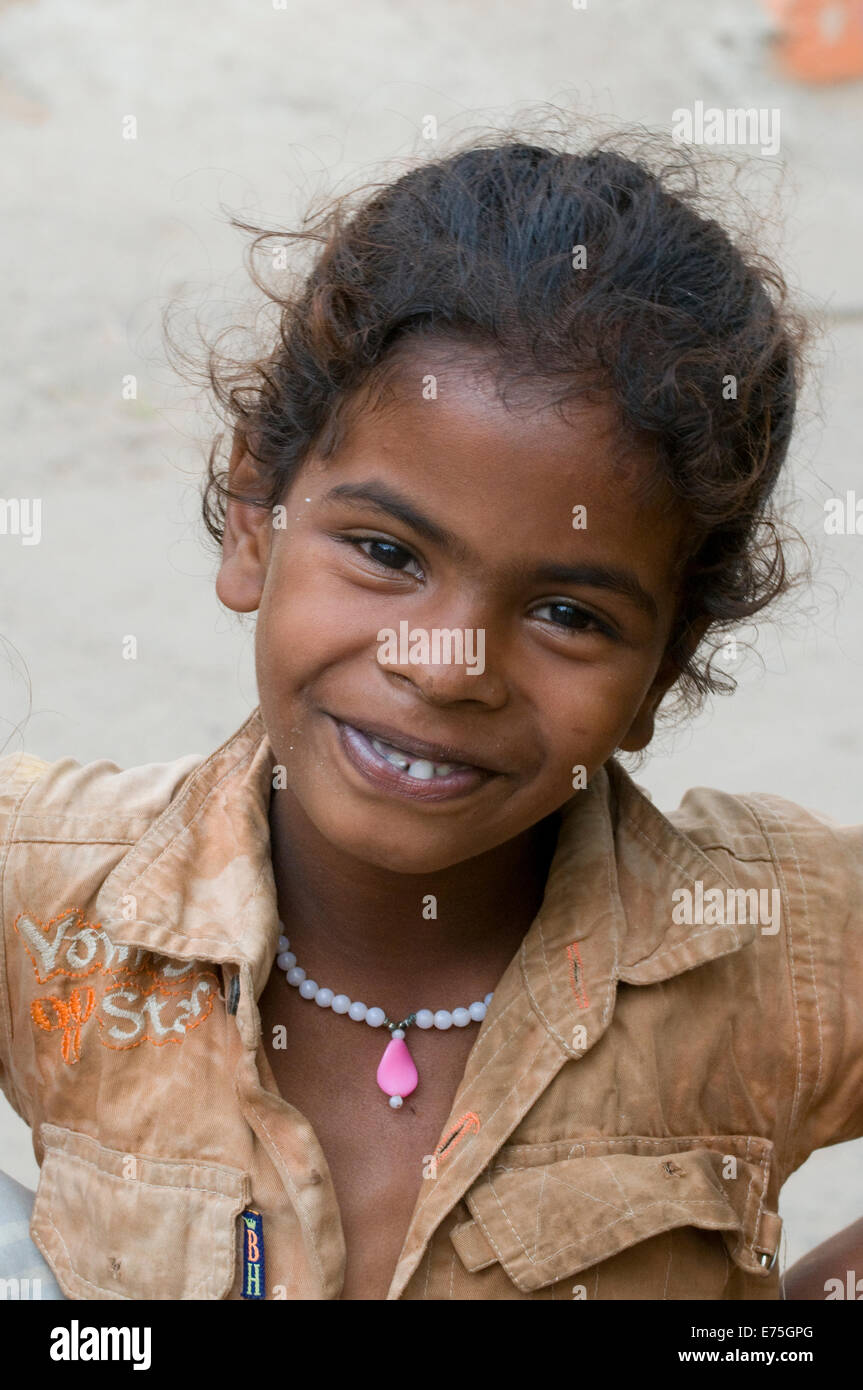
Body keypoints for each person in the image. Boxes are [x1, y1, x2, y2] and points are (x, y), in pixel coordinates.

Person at [1, 129, 861, 1302]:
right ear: (256, 516)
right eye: (384, 550)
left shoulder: (773, 947)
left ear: (663, 670)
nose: (449, 663)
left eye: (565, 610)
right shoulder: (54, 908)